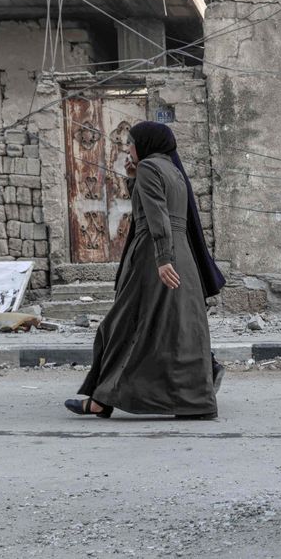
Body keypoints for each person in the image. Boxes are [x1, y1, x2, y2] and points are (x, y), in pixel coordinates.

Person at [64, 121, 224, 419]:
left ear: (146, 143)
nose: (129, 148)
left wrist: (163, 259)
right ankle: (194, 401)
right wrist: (132, 178)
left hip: (154, 257)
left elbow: (156, 216)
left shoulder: (150, 167)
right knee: (174, 330)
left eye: (132, 142)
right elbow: (162, 207)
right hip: (182, 255)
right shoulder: (172, 170)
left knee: (119, 325)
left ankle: (103, 400)